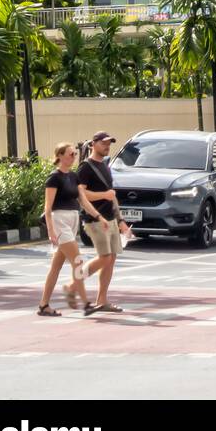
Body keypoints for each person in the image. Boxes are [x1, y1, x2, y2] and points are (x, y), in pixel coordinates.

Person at [37, 143, 95, 317]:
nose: (74, 156)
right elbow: (47, 207)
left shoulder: (73, 176)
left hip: (72, 219)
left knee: (56, 267)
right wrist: (51, 231)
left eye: (75, 154)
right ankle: (86, 303)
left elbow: (83, 201)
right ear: (60, 156)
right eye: (70, 154)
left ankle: (43, 305)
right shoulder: (53, 178)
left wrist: (98, 216)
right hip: (59, 220)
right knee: (77, 261)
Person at [77, 132, 132, 314]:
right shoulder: (86, 167)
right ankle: (75, 281)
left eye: (109, 143)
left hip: (110, 219)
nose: (107, 146)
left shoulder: (105, 166)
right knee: (105, 257)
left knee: (111, 259)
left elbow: (112, 196)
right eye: (104, 143)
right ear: (93, 144)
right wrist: (103, 196)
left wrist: (121, 221)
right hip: (94, 220)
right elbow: (81, 195)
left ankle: (102, 300)